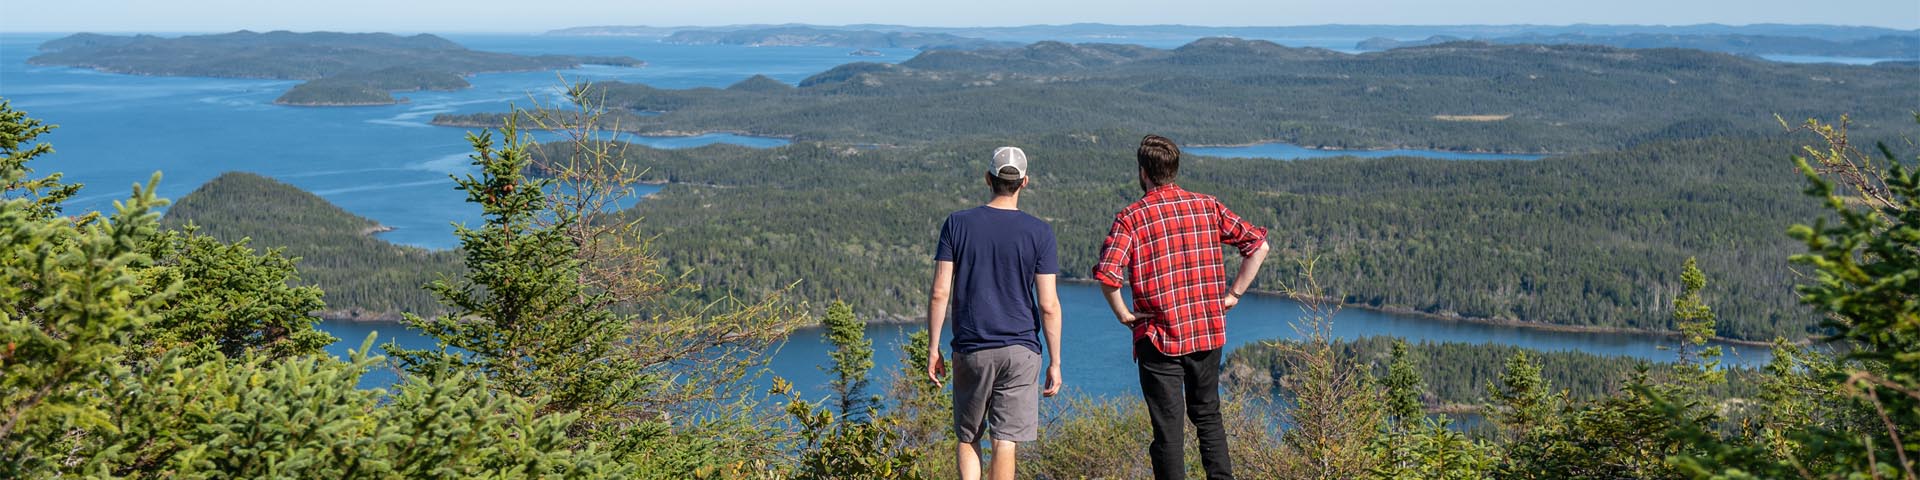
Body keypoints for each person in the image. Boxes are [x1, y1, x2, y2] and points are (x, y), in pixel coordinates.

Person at [1093, 134, 1271, 480]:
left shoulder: (1131, 219)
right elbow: (1258, 246)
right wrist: (1233, 295)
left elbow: (1108, 276)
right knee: (1208, 418)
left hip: (1159, 339)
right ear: (1173, 170)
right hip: (1206, 332)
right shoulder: (1207, 206)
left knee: (1168, 431)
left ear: (1144, 172)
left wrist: (1124, 315)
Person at [926, 146, 1064, 480]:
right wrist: (1055, 362)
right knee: (1005, 441)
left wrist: (933, 349)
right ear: (1024, 183)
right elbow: (1048, 304)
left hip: (972, 348)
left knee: (969, 434)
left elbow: (940, 291)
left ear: (988, 178)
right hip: (1020, 351)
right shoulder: (1040, 232)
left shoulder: (957, 224)